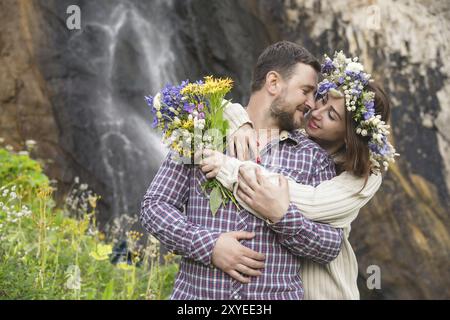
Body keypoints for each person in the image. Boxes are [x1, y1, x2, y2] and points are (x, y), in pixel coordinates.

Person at [140, 41, 344, 300]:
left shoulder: (314, 158)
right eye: (306, 91)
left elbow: (330, 245)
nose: (312, 104)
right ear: (273, 83)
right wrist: (209, 246)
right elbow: (155, 206)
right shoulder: (201, 132)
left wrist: (283, 217)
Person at [200, 51, 398, 299]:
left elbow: (310, 203)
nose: (315, 111)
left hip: (324, 291)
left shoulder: (365, 177)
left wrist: (230, 169)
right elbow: (228, 105)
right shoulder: (296, 136)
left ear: (349, 134)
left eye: (331, 115)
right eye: (321, 99)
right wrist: (242, 123)